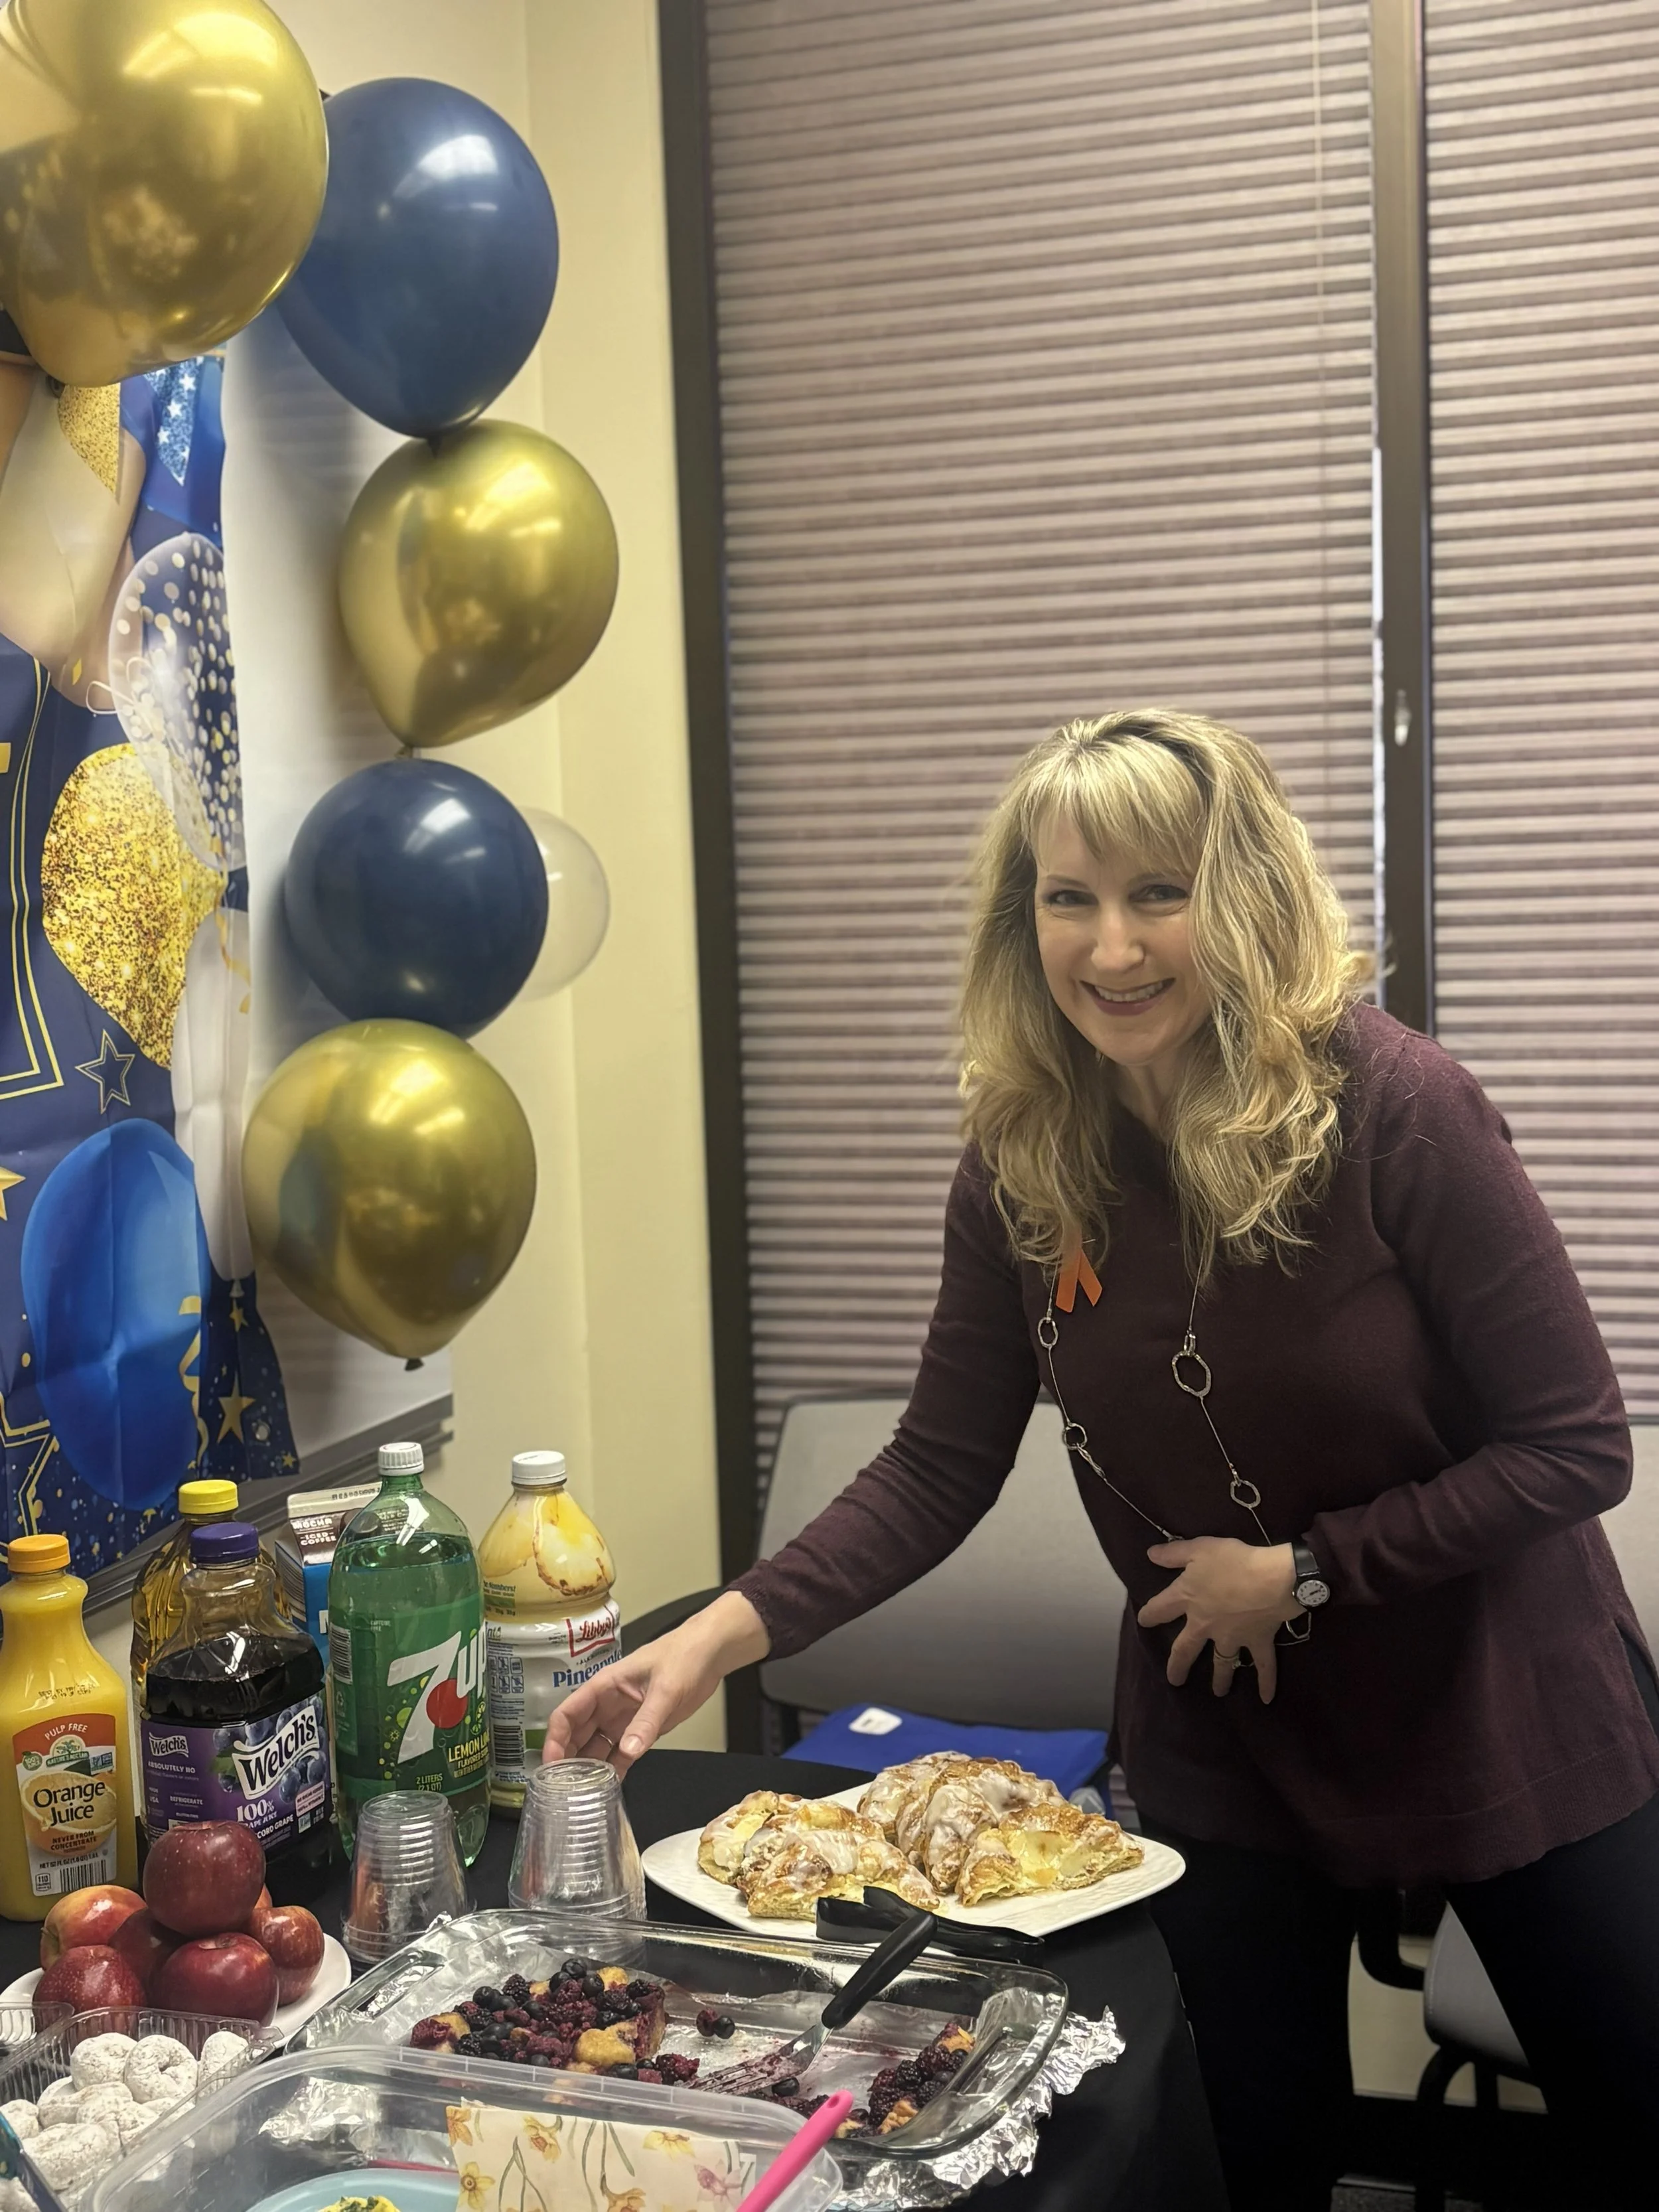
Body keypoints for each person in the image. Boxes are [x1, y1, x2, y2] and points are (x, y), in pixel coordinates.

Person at [545, 710, 1659, 2210]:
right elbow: (935, 1466)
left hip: (1491, 1697)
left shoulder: (1397, 1109)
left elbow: (1574, 1444)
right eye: (1068, 898)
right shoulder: (1022, 1152)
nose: (1112, 946)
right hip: (1229, 1734)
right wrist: (704, 1644)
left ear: (1245, 896)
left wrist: (1310, 1568)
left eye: (1159, 893)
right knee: (1240, 2154)